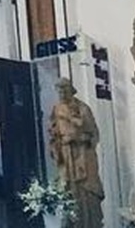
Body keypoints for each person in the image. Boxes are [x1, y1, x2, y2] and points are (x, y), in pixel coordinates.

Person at [49, 79, 104, 228]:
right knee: (69, 190)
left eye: (64, 91)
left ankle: (90, 223)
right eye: (59, 91)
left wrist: (77, 138)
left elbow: (93, 135)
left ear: (71, 91)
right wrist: (57, 146)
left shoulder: (83, 109)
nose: (61, 94)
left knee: (87, 191)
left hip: (83, 156)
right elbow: (53, 133)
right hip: (66, 156)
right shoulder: (56, 109)